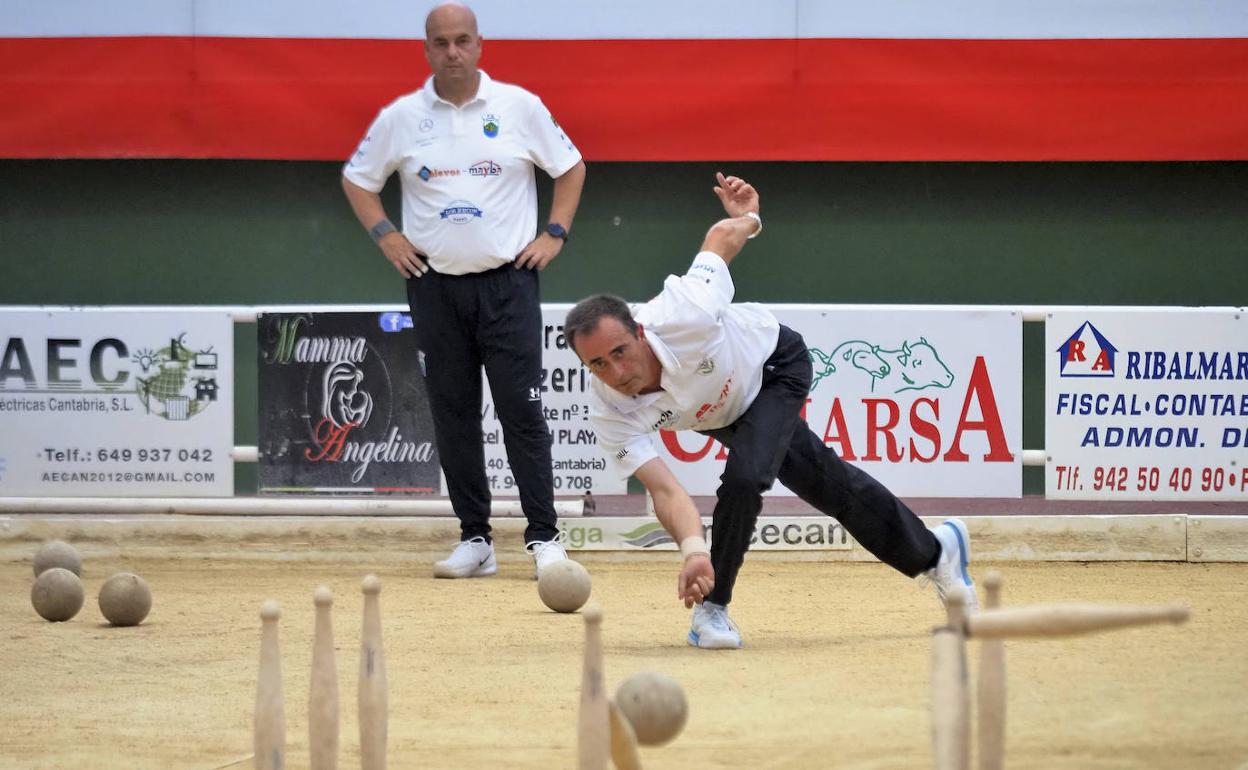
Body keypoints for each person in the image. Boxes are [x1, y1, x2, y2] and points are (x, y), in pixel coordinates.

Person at [564, 173, 977, 649]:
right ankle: (936, 551)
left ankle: (712, 609)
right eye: (598, 364)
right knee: (830, 486)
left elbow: (720, 239)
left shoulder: (685, 312)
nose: (616, 372)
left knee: (746, 476)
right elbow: (665, 490)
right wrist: (693, 549)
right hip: (723, 411)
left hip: (773, 365)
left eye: (620, 352)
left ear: (639, 332)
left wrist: (749, 217)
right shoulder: (609, 409)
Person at [342, 2, 586, 579]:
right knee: (453, 415)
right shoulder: (402, 117)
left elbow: (571, 167)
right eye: (441, 43)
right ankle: (475, 538)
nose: (452, 52)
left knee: (521, 412)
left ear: (479, 44)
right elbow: (358, 180)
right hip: (433, 288)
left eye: (462, 41)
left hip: (508, 287)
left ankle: (544, 537)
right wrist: (386, 235)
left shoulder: (519, 106)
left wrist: (554, 233)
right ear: (427, 49)